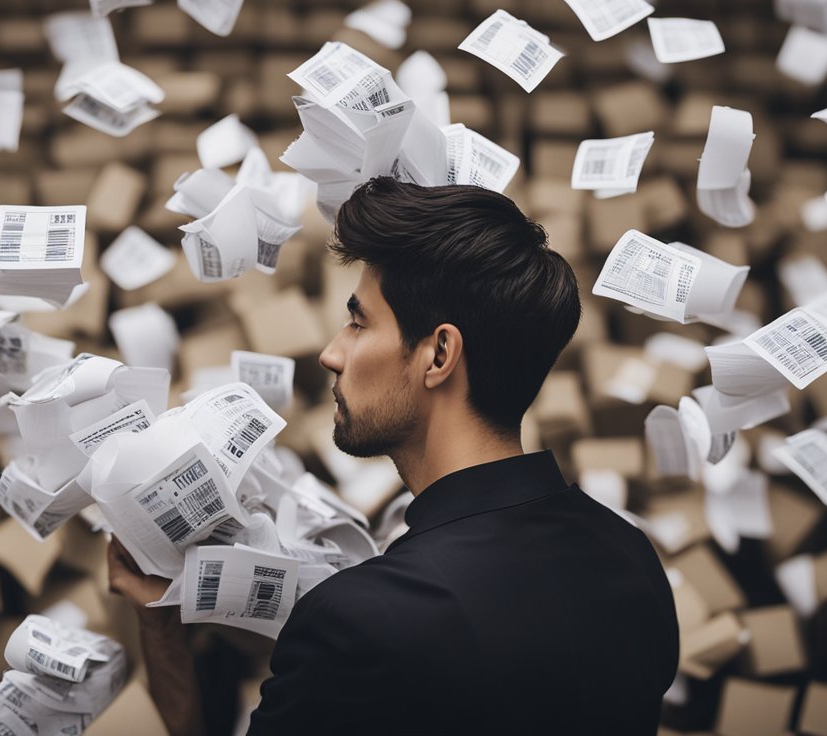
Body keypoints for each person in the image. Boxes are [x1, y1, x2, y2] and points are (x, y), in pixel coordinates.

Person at [107, 177, 679, 735]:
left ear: (439, 354)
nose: (332, 353)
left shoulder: (361, 621)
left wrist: (159, 631)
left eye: (358, 322)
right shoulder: (629, 559)